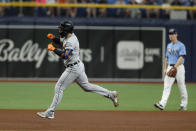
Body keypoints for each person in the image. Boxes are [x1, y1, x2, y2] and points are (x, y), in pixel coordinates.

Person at [37, 20, 119, 119]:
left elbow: (66, 55)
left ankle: (50, 112)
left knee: (59, 87)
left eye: (61, 29)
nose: (59, 30)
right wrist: (54, 38)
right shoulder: (69, 37)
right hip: (78, 65)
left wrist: (54, 49)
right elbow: (62, 42)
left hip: (73, 68)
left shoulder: (71, 41)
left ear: (66, 30)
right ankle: (110, 94)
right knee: (87, 87)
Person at [154, 28, 188, 111]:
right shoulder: (169, 45)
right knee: (166, 86)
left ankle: (183, 105)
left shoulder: (181, 45)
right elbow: (166, 57)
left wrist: (174, 67)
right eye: (170, 34)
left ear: (176, 35)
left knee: (181, 86)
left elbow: (181, 57)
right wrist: (165, 68)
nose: (171, 36)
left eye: (172, 34)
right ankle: (162, 104)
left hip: (179, 67)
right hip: (170, 67)